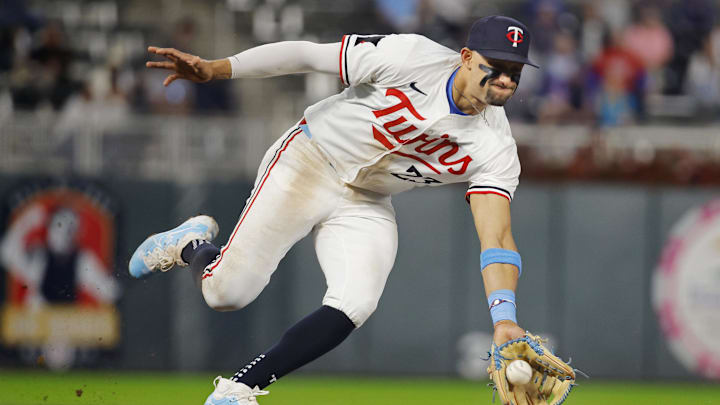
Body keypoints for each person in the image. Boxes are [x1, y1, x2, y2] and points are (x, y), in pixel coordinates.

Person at [133, 15, 537, 405]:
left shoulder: (495, 147)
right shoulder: (411, 56)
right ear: (465, 57)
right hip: (310, 160)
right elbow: (307, 55)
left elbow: (496, 235)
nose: (505, 79)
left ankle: (237, 390)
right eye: (495, 65)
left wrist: (503, 318)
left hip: (367, 199)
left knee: (356, 301)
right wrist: (218, 69)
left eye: (514, 71)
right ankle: (190, 244)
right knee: (226, 294)